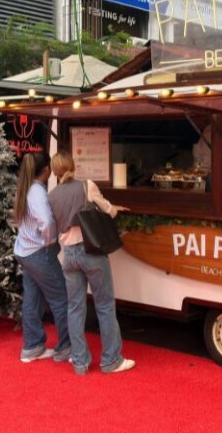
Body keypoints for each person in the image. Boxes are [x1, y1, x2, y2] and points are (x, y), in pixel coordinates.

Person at [48, 150, 134, 375]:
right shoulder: (87, 186)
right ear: (73, 165)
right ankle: (111, 360)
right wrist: (115, 209)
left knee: (75, 308)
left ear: (55, 171)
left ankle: (80, 362)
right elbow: (108, 210)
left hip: (69, 256)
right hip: (91, 252)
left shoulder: (52, 195)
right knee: (104, 305)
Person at [13, 152, 71, 364]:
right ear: (46, 170)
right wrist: (51, 240)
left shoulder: (25, 187)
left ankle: (32, 346)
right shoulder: (37, 191)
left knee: (33, 298)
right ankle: (66, 347)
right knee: (61, 298)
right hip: (39, 253)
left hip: (25, 251)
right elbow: (46, 221)